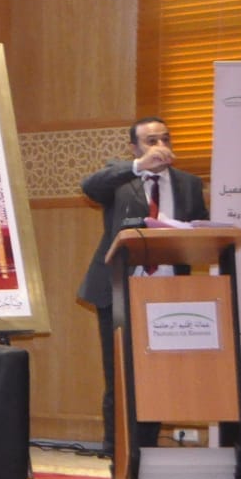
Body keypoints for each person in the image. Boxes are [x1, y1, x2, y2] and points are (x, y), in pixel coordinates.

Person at [79, 116, 208, 452]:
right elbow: (90, 187)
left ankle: (147, 450)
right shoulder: (120, 177)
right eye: (151, 141)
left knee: (157, 376)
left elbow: (201, 232)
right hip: (120, 290)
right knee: (119, 374)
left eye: (165, 139)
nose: (161, 146)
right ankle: (117, 450)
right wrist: (138, 167)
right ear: (134, 147)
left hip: (168, 293)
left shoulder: (189, 183)